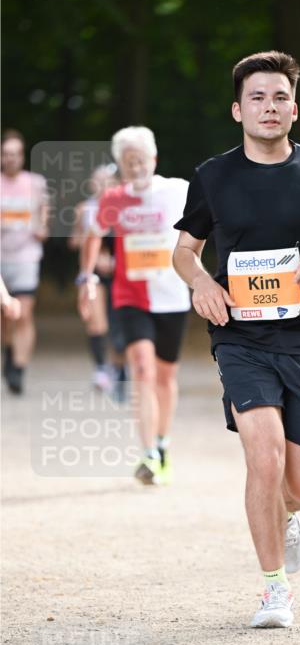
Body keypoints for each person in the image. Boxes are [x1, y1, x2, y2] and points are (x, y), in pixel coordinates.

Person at [172, 50, 300, 629]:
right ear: (238, 109)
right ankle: (274, 590)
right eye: (257, 97)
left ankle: (289, 516)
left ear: (294, 108)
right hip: (239, 338)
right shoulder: (213, 176)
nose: (269, 106)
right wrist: (201, 281)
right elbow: (183, 251)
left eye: (280, 97)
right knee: (263, 453)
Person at [78, 126, 190, 484]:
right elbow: (93, 235)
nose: (136, 167)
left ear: (153, 159)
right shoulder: (113, 199)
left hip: (172, 296)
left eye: (140, 160)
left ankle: (162, 442)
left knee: (165, 375)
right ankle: (149, 454)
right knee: (142, 369)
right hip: (130, 296)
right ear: (120, 166)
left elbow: (206, 225)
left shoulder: (178, 190)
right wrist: (88, 278)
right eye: (128, 162)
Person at [69, 164, 126, 394]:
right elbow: (73, 241)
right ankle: (101, 369)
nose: (103, 185)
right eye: (98, 180)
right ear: (92, 184)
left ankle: (120, 368)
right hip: (93, 274)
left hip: (121, 273)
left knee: (119, 324)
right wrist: (88, 239)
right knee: (96, 322)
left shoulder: (125, 208)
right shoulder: (84, 209)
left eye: (108, 181)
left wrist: (114, 260)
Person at [0, 129, 49, 395]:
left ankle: (18, 369)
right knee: (5, 318)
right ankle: (9, 351)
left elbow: (45, 215)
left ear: (22, 156)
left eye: (15, 154)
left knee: (24, 313)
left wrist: (41, 227)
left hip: (25, 257)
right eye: (6, 154)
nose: (10, 159)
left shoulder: (36, 182)